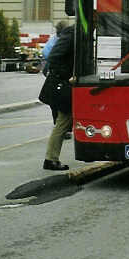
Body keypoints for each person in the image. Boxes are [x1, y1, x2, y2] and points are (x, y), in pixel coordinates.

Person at [38, 23, 75, 170]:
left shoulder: (75, 33)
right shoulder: (72, 34)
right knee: (63, 121)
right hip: (62, 85)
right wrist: (68, 76)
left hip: (62, 84)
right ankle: (50, 159)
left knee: (63, 121)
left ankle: (51, 158)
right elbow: (54, 57)